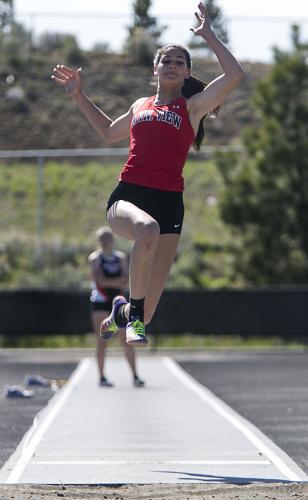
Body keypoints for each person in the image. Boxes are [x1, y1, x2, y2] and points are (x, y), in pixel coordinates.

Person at [52, 2, 244, 346]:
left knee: (149, 306)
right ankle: (134, 318)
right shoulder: (140, 105)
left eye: (179, 62)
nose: (172, 65)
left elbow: (235, 76)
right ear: (155, 69)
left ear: (186, 73)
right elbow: (110, 132)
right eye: (166, 60)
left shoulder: (192, 107)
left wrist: (208, 35)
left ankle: (124, 311)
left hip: (170, 203)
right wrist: (79, 95)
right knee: (146, 228)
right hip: (129, 196)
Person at [88, 226, 145, 387]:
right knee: (102, 340)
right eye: (103, 239)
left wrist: (114, 281)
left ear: (113, 240)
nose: (106, 242)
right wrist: (115, 281)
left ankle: (135, 375)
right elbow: (100, 281)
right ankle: (101, 377)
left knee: (126, 340)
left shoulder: (120, 257)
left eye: (108, 238)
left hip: (118, 303)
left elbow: (126, 278)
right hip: (100, 301)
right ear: (99, 242)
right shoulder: (95, 258)